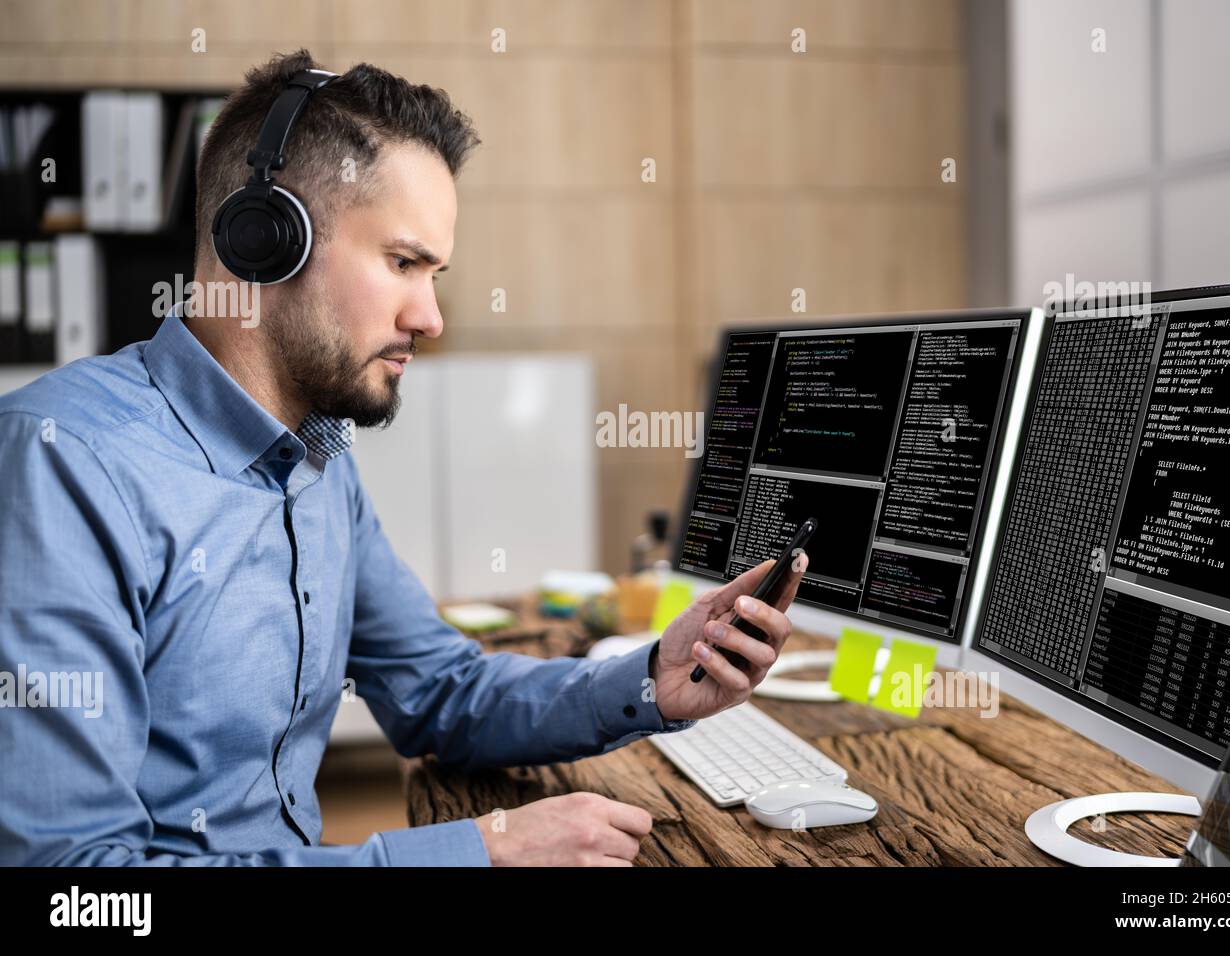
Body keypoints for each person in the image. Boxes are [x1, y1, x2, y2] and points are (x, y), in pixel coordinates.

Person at [0, 50, 808, 867]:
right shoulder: (61, 465)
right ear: (263, 242)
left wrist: (650, 678)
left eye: (437, 273)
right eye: (402, 263)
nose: (431, 316)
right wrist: (469, 855)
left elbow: (438, 689)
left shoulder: (317, 453)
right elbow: (74, 889)